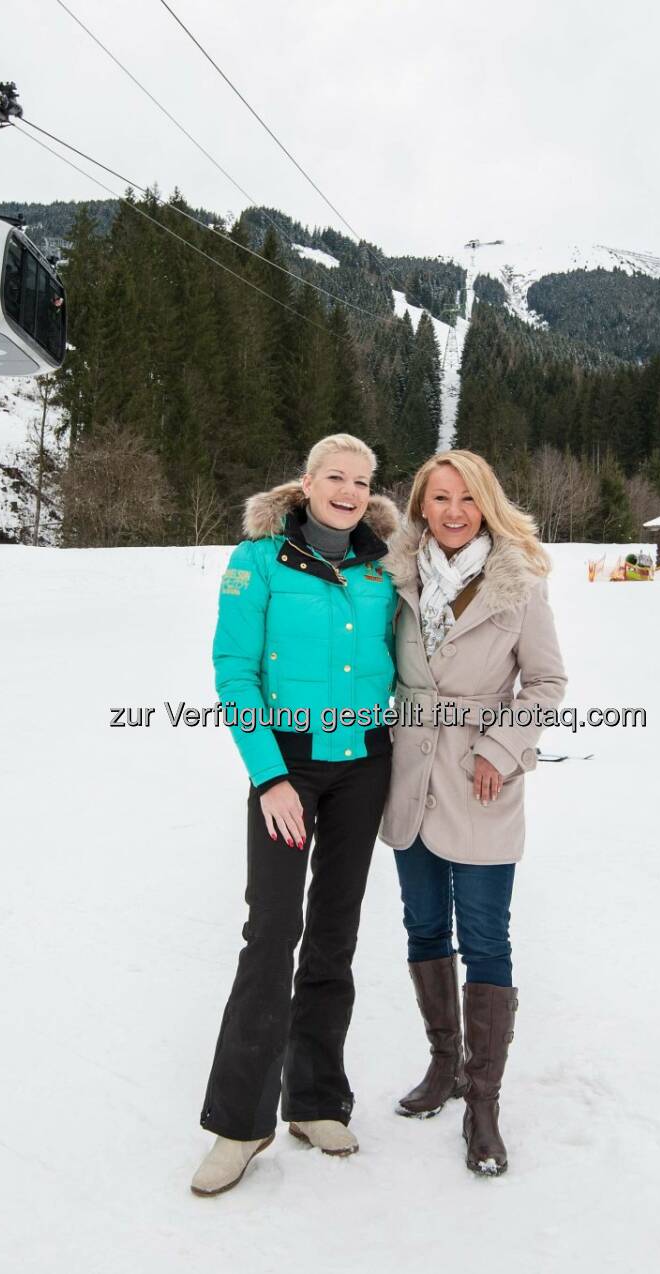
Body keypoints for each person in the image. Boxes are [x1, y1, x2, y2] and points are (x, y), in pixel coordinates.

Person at [192, 434, 400, 1197]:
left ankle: (315, 1099)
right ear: (307, 483)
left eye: (362, 481)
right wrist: (270, 776)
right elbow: (235, 672)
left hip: (364, 765)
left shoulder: (384, 564)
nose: (348, 491)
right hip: (289, 767)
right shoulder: (257, 562)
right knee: (272, 931)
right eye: (335, 478)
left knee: (335, 931)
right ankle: (240, 1125)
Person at [380, 450, 567, 1177]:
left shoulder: (518, 583)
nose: (452, 512)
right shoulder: (396, 580)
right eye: (438, 499)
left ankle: (483, 1101)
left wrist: (501, 748)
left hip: (481, 779)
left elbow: (547, 682)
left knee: (486, 937)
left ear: (485, 504)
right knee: (424, 925)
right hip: (410, 775)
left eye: (465, 499)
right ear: (421, 507)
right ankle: (444, 1066)